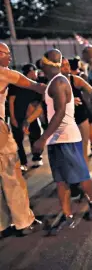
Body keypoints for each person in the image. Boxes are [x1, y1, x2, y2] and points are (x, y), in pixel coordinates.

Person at [31, 49, 92, 235]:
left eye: (43, 63)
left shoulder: (60, 82)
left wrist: (43, 137)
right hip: (56, 139)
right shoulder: (52, 83)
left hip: (67, 138)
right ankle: (67, 215)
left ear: (47, 64)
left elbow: (61, 111)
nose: (42, 65)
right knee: (61, 181)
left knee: (79, 176)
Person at [0, 43, 44, 236]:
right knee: (12, 176)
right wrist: (56, 85)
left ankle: (1, 225)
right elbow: (34, 85)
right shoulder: (4, 73)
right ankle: (24, 221)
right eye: (6, 54)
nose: (9, 57)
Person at [58, 57, 92, 162]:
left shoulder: (75, 79)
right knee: (69, 152)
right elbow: (49, 100)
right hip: (65, 120)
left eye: (67, 65)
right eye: (62, 65)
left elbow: (91, 90)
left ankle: (85, 176)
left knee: (83, 149)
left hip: (81, 117)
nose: (66, 67)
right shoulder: (53, 84)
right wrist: (68, 101)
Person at [8, 63, 43, 171]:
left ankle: (36, 157)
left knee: (36, 135)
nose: (35, 74)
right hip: (18, 117)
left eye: (35, 72)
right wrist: (12, 118)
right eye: (32, 72)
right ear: (27, 73)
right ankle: (23, 162)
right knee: (19, 140)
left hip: (31, 117)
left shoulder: (36, 85)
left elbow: (39, 102)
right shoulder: (16, 84)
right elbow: (11, 101)